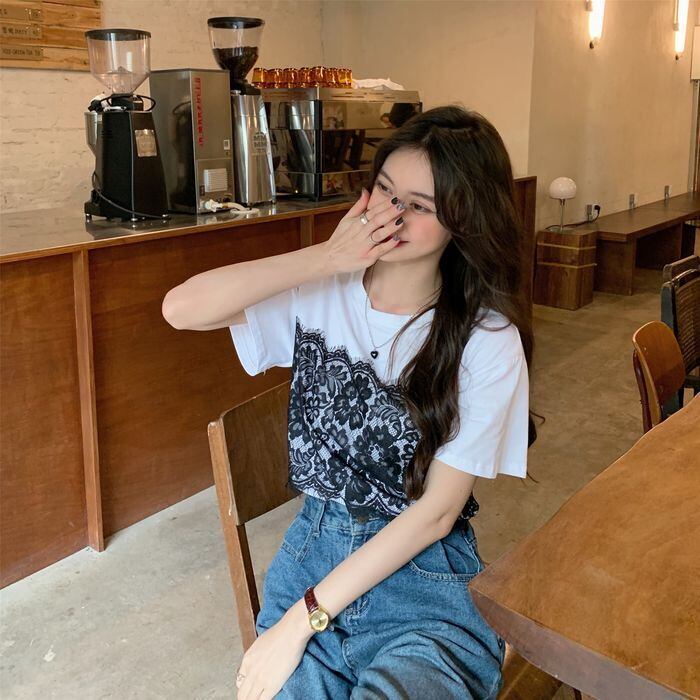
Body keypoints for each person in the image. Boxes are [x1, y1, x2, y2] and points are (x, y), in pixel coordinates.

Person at [162, 105, 534, 700]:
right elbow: (180, 309)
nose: (390, 216)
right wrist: (324, 258)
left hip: (422, 585)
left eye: (419, 206)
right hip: (312, 553)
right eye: (384, 191)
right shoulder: (321, 291)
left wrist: (300, 622)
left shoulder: (486, 340)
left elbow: (436, 514)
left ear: (463, 221)